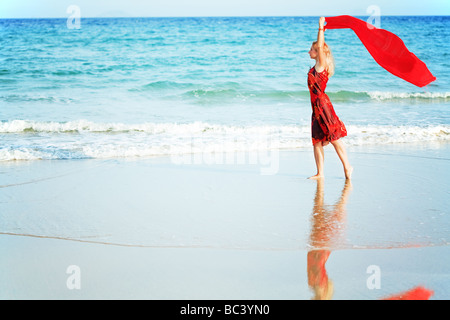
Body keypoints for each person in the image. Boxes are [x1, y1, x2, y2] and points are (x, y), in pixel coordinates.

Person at [307, 17, 353, 180]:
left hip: (323, 106)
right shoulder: (316, 67)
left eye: (312, 50)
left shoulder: (321, 65)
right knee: (317, 141)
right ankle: (320, 173)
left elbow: (320, 46)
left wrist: (320, 28)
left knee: (334, 138)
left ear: (318, 52)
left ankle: (348, 167)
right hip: (316, 108)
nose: (309, 52)